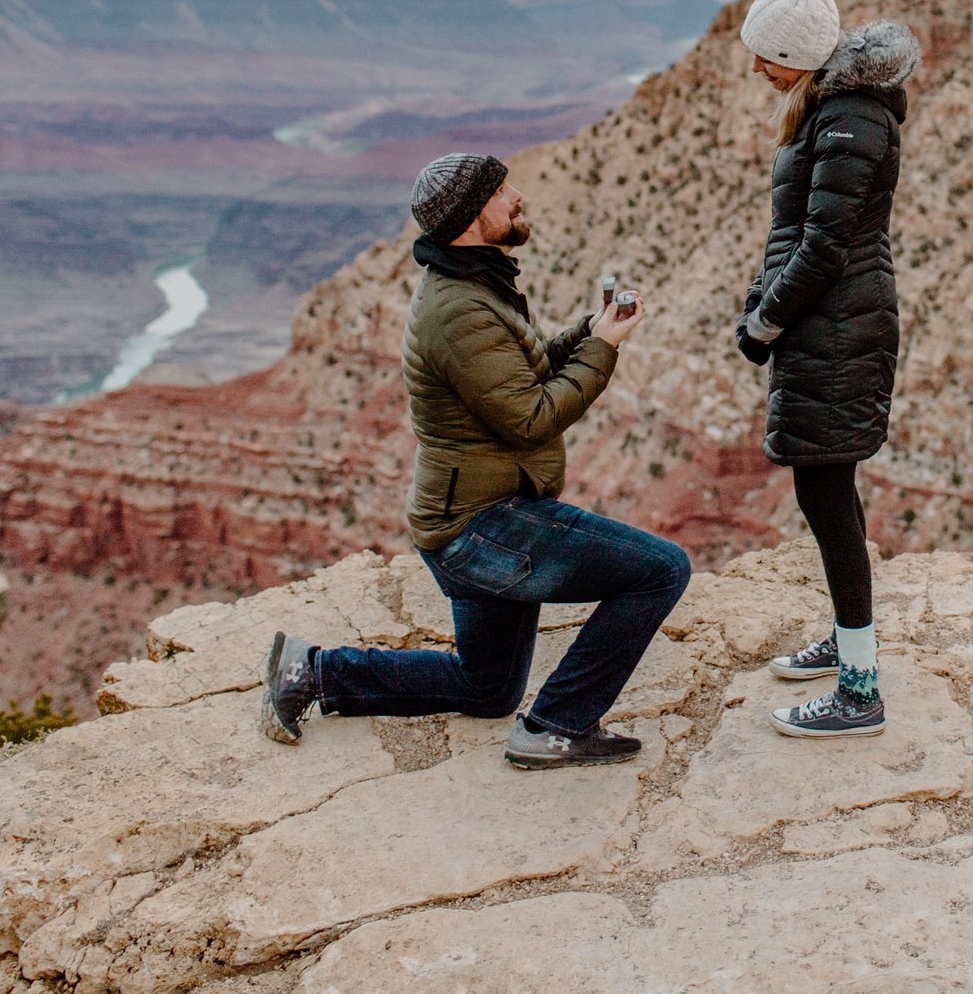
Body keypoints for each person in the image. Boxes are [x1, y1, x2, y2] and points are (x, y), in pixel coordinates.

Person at [257, 153, 692, 769]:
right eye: (500, 189)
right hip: (482, 528)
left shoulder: (475, 281)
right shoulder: (458, 308)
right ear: (469, 214)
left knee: (486, 689)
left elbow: (526, 363)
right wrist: (603, 349)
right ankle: (555, 727)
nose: (517, 195)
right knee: (662, 570)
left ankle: (315, 672)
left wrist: (588, 329)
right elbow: (532, 416)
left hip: (477, 514)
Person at [733, 0, 919, 738]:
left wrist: (763, 323)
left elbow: (822, 247)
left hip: (838, 328)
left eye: (767, 55)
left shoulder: (850, 118)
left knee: (827, 497)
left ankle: (859, 692)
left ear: (801, 54)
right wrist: (761, 301)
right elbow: (797, 236)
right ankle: (849, 647)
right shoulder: (828, 109)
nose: (758, 69)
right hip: (827, 327)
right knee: (826, 494)